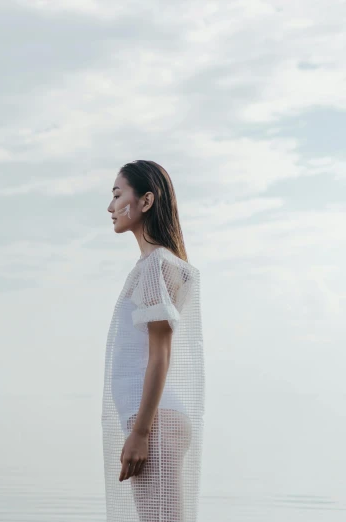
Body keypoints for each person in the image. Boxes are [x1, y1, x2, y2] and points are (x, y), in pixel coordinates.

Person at [102, 161, 204, 522]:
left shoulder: (154, 266)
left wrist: (141, 432)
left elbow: (160, 355)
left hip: (155, 422)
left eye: (118, 195)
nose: (110, 207)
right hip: (159, 419)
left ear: (146, 201)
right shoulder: (158, 264)